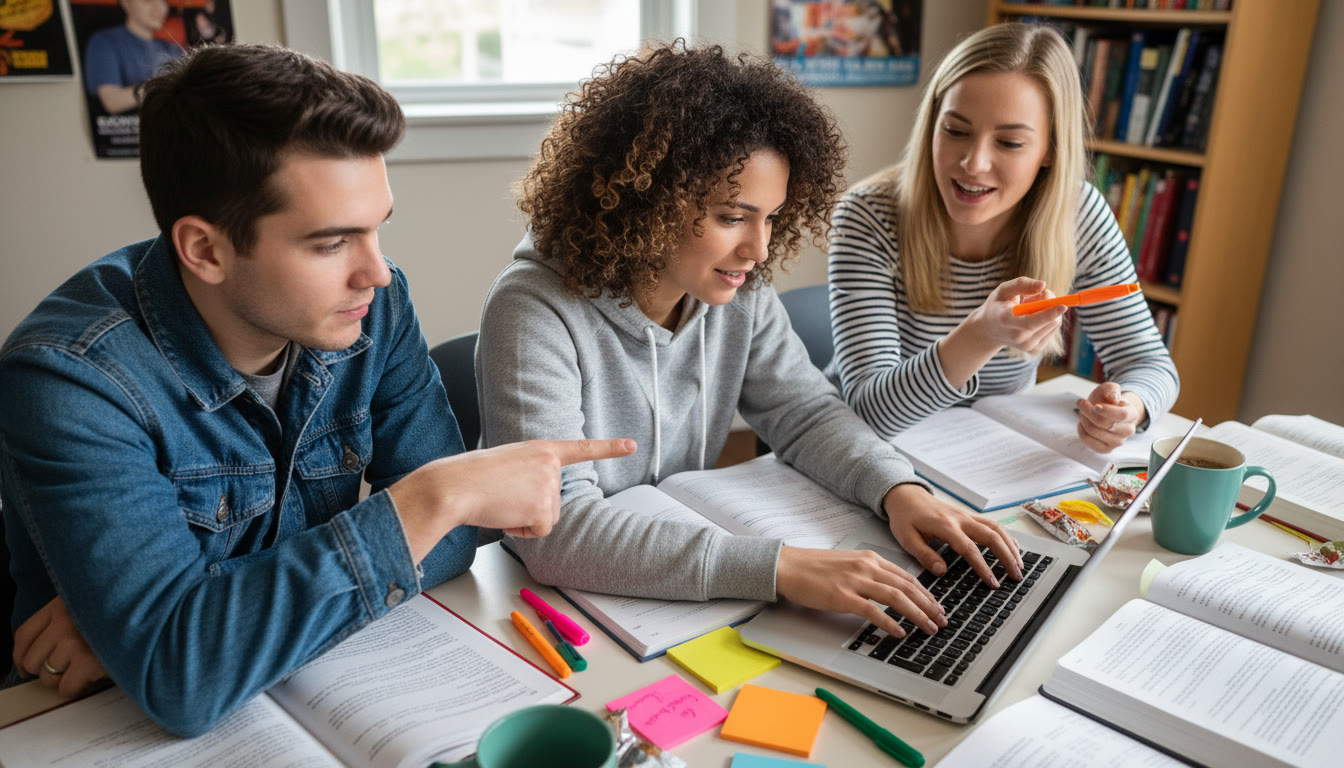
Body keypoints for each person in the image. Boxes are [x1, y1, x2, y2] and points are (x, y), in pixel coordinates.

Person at [0, 43, 633, 737]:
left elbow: (448, 549)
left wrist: (184, 619)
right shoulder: (71, 379)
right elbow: (182, 680)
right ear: (205, 250)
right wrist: (432, 499)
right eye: (331, 244)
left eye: (376, 230)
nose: (378, 273)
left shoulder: (375, 309)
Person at [477, 42, 1023, 643]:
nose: (759, 250)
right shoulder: (534, 310)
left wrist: (898, 488)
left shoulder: (736, 288)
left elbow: (805, 411)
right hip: (548, 610)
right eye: (733, 217)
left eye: (772, 217)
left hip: (677, 596)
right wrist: (781, 568)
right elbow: (556, 530)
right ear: (650, 200)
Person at [827, 23, 1179, 451]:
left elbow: (1148, 363)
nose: (974, 164)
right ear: (931, 125)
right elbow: (870, 411)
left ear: (1049, 150)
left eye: (1010, 143)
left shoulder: (1078, 213)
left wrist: (1131, 407)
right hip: (868, 451)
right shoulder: (868, 215)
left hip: (986, 456)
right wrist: (980, 334)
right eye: (955, 131)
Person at [82, 0, 184, 114]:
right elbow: (112, 101)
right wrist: (162, 86)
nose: (159, 8)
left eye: (164, 1)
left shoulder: (172, 48)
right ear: (126, 3)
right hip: (127, 128)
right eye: (148, 1)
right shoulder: (105, 42)